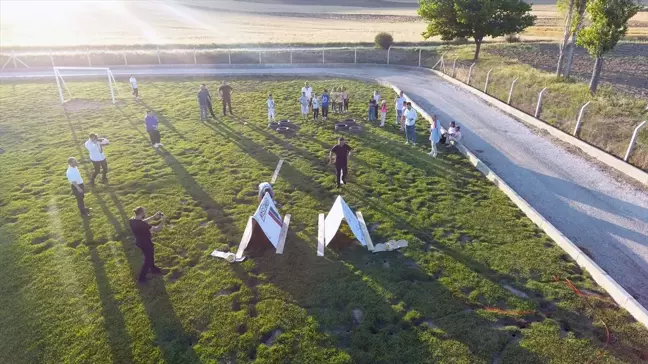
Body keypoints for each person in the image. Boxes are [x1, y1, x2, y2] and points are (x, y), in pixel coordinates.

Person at [129, 207, 166, 283]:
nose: (145, 213)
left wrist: (153, 217)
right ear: (142, 213)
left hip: (140, 241)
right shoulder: (143, 225)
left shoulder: (132, 220)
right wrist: (163, 221)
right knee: (148, 260)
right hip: (144, 243)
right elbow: (157, 229)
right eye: (144, 212)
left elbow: (142, 221)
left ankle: (153, 268)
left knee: (151, 251)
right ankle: (141, 278)